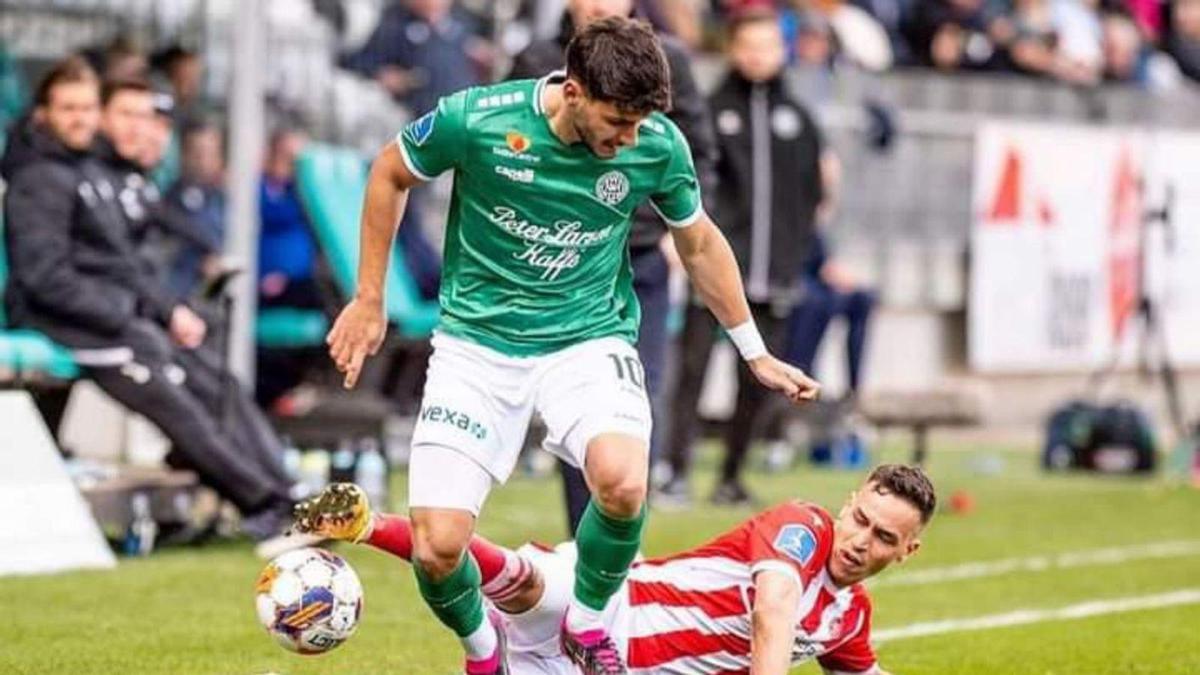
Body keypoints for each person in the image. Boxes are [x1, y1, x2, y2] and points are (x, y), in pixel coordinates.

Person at [325, 17, 819, 675]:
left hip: (587, 339)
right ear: (575, 91)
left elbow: (697, 240)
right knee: (439, 547)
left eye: (642, 124)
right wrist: (368, 296)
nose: (630, 139)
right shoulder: (478, 119)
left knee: (621, 481)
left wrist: (752, 349)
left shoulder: (656, 145)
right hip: (476, 347)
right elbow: (390, 171)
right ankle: (483, 650)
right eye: (619, 121)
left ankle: (587, 622)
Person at [1, 59, 294, 542]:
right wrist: (127, 313)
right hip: (64, 322)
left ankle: (283, 494)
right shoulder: (39, 180)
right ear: (42, 113)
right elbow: (43, 278)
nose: (80, 118)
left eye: (87, 107)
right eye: (68, 108)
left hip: (108, 318)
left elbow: (120, 263)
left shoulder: (82, 171)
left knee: (213, 381)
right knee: (173, 391)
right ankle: (265, 506)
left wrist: (153, 309)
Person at [294, 463, 935, 674]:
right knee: (528, 586)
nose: (859, 541)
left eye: (882, 539)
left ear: (906, 551)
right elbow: (773, 608)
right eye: (861, 520)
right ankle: (371, 526)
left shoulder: (849, 619)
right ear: (848, 504)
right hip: (607, 610)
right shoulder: (804, 527)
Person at [509, 0, 720, 536]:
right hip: (562, 262)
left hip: (641, 256)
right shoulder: (536, 59)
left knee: (635, 396)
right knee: (571, 403)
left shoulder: (667, 61)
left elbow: (701, 155)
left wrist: (683, 230)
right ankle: (587, 543)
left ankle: (616, 546)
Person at [662, 10, 832, 508]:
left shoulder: (799, 120)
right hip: (711, 271)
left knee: (757, 382)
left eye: (768, 45)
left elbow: (813, 194)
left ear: (783, 51)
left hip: (775, 273)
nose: (759, 55)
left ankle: (732, 476)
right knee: (690, 373)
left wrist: (797, 253)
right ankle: (674, 470)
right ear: (734, 49)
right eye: (749, 44)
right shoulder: (709, 110)